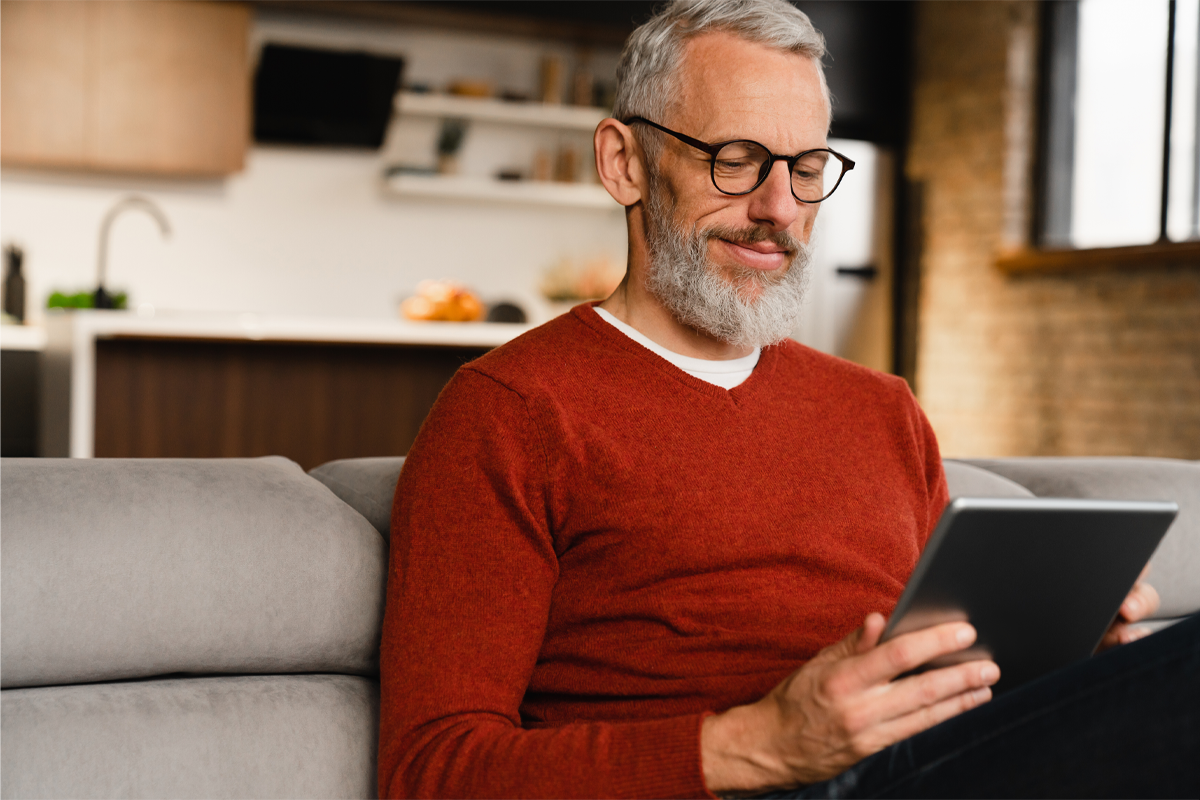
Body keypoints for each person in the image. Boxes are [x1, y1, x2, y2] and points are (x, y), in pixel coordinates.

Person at [378, 1, 1199, 798]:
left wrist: (1053, 670)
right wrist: (759, 747)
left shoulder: (880, 410)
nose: (779, 210)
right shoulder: (509, 411)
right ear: (624, 163)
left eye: (806, 170)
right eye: (734, 159)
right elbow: (430, 773)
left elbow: (937, 678)